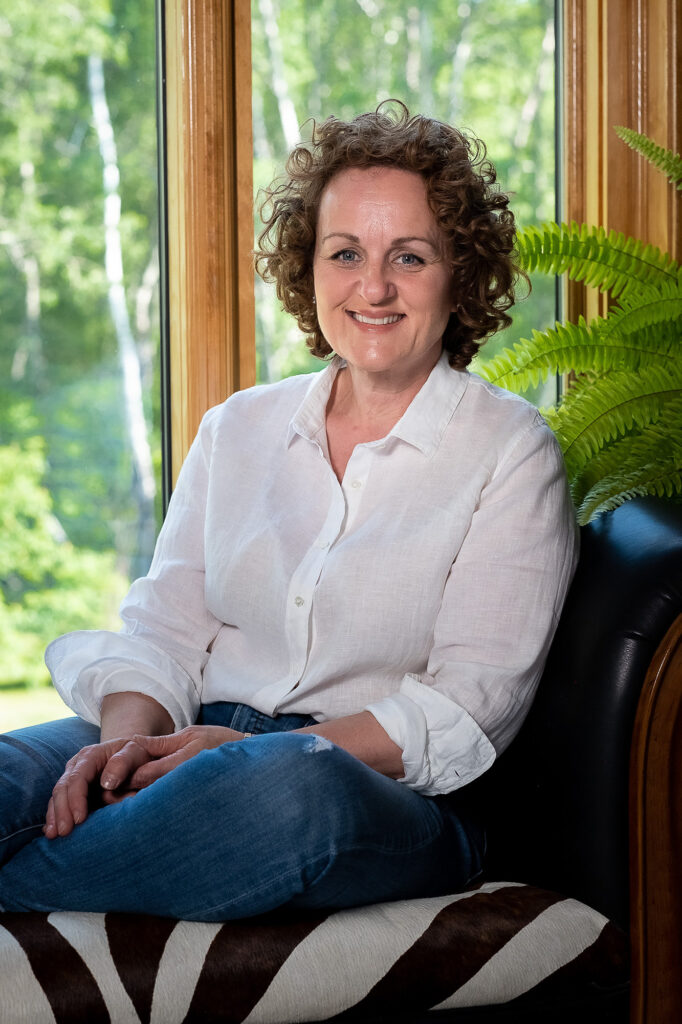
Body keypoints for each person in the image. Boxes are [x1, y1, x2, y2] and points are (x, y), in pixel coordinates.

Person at [0, 102, 578, 921]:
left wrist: (245, 754)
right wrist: (122, 748)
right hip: (198, 735)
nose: (373, 287)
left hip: (372, 791)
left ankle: (23, 895)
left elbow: (467, 707)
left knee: (288, 793)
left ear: (461, 272)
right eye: (346, 254)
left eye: (409, 256)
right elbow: (166, 630)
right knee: (12, 775)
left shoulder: (511, 450)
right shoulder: (237, 428)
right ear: (309, 270)